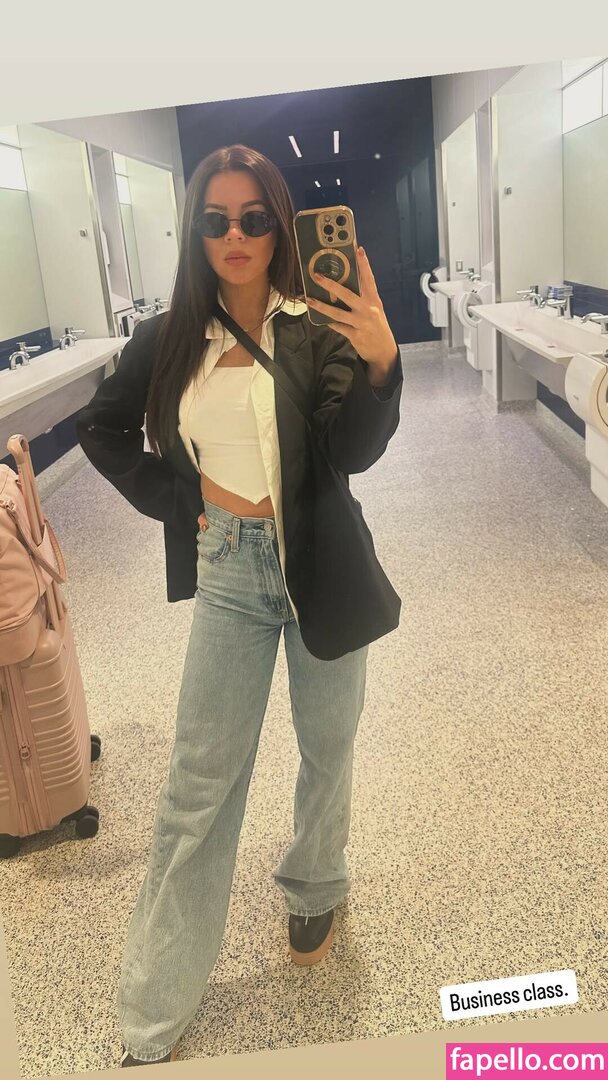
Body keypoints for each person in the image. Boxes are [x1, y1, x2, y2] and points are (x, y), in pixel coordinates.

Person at [76, 144, 403, 1067]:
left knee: (327, 746)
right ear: (196, 230)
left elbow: (351, 451)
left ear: (279, 223)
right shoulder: (171, 337)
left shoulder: (315, 324)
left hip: (322, 565)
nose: (236, 235)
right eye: (217, 219)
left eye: (255, 218)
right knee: (197, 787)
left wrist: (380, 364)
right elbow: (102, 426)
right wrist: (178, 500)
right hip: (227, 568)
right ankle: (153, 1012)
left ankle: (315, 884)